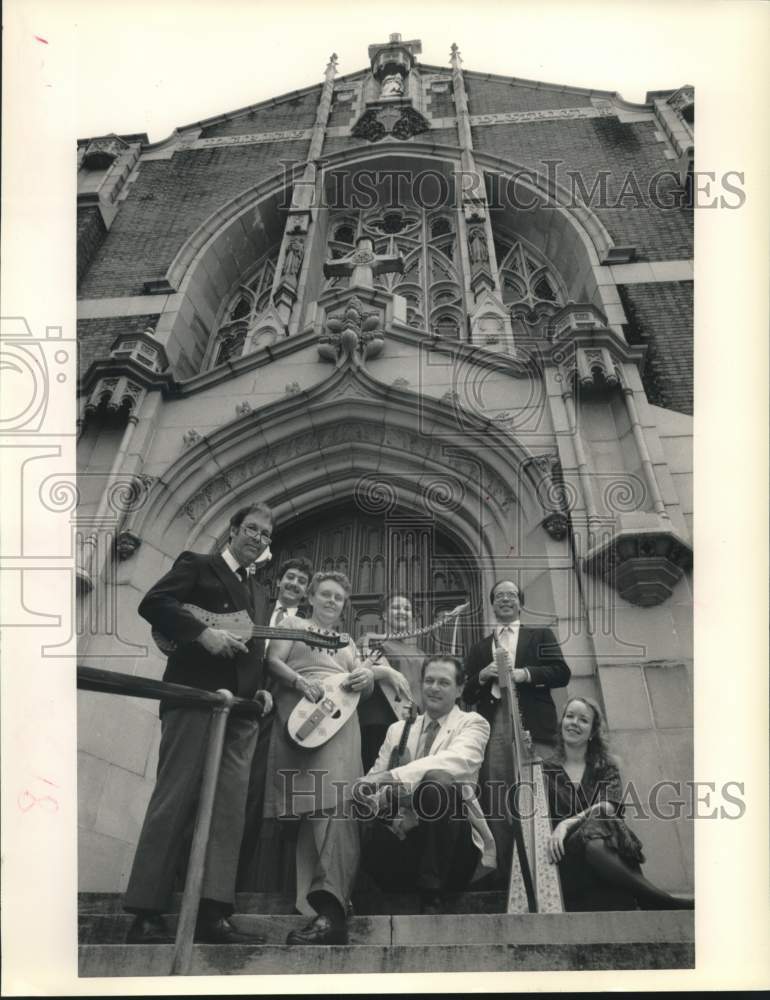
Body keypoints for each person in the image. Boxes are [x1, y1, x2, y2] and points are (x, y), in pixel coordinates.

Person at [123, 502, 274, 945]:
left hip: (242, 711)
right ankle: (147, 913)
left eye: (266, 535)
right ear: (233, 530)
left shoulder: (261, 593)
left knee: (228, 812)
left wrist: (260, 687)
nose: (259, 538)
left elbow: (253, 650)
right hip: (192, 698)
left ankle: (213, 914)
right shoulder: (199, 566)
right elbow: (154, 603)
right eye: (252, 529)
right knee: (175, 799)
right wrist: (202, 633)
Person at [263, 571, 375, 945]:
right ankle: (315, 905)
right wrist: (298, 683)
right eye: (325, 594)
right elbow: (272, 661)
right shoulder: (293, 624)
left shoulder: (346, 643)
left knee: (336, 807)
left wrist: (367, 679)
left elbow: (362, 679)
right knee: (313, 813)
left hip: (341, 725)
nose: (331, 601)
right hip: (303, 719)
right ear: (311, 597)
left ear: (344, 607)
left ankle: (330, 906)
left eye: (338, 598)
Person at [356, 655, 497, 914]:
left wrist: (393, 779)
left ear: (459, 689)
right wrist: (374, 794)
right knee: (353, 802)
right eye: (429, 681)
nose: (434, 688)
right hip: (404, 846)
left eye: (444, 682)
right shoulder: (397, 730)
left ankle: (432, 893)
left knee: (438, 781)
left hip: (453, 854)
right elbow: (373, 788)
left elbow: (453, 762)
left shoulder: (474, 724)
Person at [462, 579, 571, 885]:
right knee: (497, 797)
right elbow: (467, 694)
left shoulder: (540, 635)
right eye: (499, 596)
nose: (506, 599)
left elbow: (561, 673)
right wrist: (482, 676)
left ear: (520, 602)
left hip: (532, 725)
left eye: (511, 595)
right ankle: (505, 877)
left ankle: (549, 875)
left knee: (540, 794)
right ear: (493, 604)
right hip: (494, 724)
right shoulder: (481, 647)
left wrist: (524, 674)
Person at [543, 697, 694, 911]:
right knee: (597, 822)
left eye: (583, 720)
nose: (574, 722)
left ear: (593, 731)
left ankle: (654, 899)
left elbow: (609, 806)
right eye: (569, 716)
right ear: (562, 723)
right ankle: (657, 899)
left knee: (601, 818)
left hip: (602, 855)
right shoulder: (544, 770)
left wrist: (566, 824)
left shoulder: (605, 767)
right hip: (569, 862)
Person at [237, 556, 314, 889]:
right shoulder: (256, 610)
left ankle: (255, 879)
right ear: (279, 581)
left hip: (279, 712)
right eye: (290, 577)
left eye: (301, 582)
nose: (294, 584)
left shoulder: (308, 628)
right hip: (241, 700)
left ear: (306, 593)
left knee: (262, 793)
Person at [358, 592, 426, 771]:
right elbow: (356, 672)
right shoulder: (370, 642)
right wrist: (387, 673)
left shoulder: (419, 653)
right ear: (385, 615)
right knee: (375, 779)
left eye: (407, 608)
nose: (402, 611)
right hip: (379, 720)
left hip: (410, 720)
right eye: (396, 607)